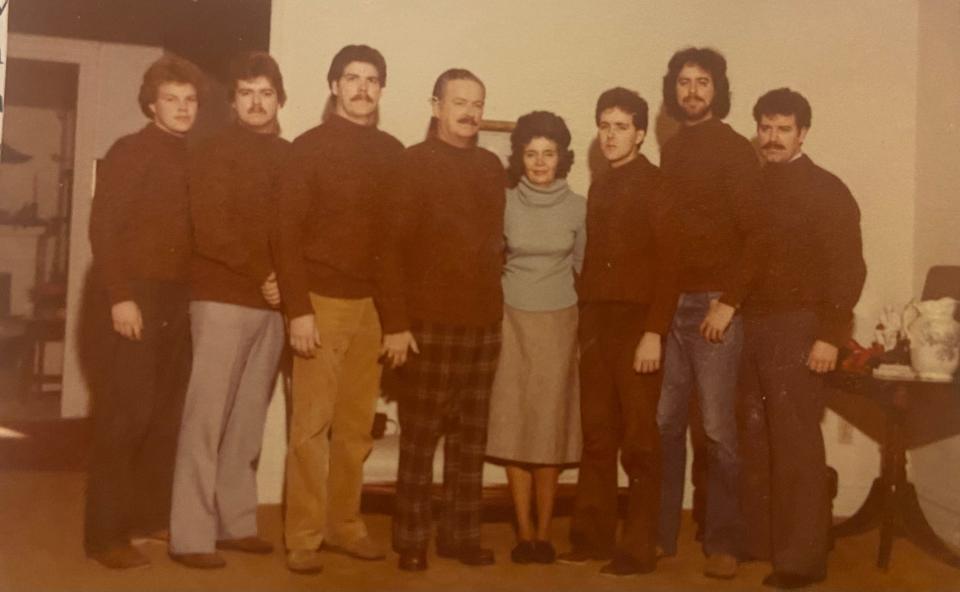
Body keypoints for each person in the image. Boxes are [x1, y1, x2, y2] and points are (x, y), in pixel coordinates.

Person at [276, 44, 404, 575]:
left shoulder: (393, 152)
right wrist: (298, 310)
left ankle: (344, 525)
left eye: (371, 79)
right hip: (321, 305)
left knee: (356, 429)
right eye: (351, 78)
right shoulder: (306, 149)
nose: (361, 88)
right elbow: (284, 235)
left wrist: (396, 320)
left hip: (371, 309)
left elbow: (395, 244)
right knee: (310, 427)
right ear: (334, 86)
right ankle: (304, 536)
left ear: (380, 89)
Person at [739, 88, 866, 590]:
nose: (772, 138)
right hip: (751, 326)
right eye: (766, 128)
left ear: (803, 133)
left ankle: (802, 560)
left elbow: (849, 270)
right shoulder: (752, 186)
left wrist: (830, 336)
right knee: (756, 437)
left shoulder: (827, 190)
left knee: (796, 445)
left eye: (783, 129)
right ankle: (769, 544)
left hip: (800, 328)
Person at [379, 68, 505, 572]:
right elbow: (389, 249)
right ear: (436, 106)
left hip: (482, 324)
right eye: (459, 102)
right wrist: (396, 322)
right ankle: (412, 538)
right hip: (426, 325)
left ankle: (461, 534)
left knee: (470, 438)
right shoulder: (413, 164)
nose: (470, 112)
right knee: (420, 435)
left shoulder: (492, 167)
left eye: (477, 103)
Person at [168, 51, 289, 570]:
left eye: (266, 92)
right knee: (206, 419)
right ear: (234, 100)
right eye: (246, 92)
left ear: (279, 98)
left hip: (273, 303)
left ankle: (235, 523)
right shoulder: (211, 149)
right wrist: (264, 272)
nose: (256, 101)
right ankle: (190, 535)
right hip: (221, 296)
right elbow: (211, 226)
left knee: (247, 420)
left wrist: (285, 280)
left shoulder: (288, 155)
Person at [85, 55, 203, 569]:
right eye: (171, 100)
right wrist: (120, 295)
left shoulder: (194, 157)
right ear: (151, 104)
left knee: (163, 417)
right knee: (125, 417)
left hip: (180, 301)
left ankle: (146, 518)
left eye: (190, 100)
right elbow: (103, 229)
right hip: (137, 296)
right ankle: (104, 536)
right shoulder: (130, 151)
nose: (182, 108)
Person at [655, 46, 766, 579]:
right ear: (672, 90)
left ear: (717, 90)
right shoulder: (673, 150)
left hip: (715, 306)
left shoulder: (736, 150)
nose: (692, 90)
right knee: (665, 425)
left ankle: (725, 541)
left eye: (702, 82)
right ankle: (658, 535)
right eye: (683, 81)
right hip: (671, 305)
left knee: (719, 430)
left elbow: (758, 238)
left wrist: (729, 302)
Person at [557, 88, 676, 577]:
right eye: (604, 125)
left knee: (640, 441)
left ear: (641, 133)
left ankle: (639, 547)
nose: (610, 135)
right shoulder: (602, 185)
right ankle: (592, 537)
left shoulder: (656, 184)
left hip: (637, 324)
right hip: (598, 323)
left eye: (621, 126)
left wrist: (654, 332)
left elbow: (671, 266)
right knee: (598, 434)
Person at [485, 111, 586, 565]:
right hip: (511, 320)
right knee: (514, 420)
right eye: (531, 154)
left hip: (560, 322)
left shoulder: (579, 208)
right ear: (519, 157)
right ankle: (522, 531)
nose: (540, 162)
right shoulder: (503, 203)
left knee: (550, 425)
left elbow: (583, 268)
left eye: (549, 154)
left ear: (562, 157)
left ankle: (544, 534)